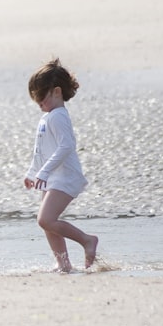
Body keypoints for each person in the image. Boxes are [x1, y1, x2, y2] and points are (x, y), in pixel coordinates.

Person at [23, 58, 98, 272]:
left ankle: (87, 240)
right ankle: (63, 263)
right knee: (48, 222)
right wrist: (32, 173)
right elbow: (40, 150)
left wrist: (44, 172)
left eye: (40, 96)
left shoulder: (58, 116)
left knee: (45, 219)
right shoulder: (47, 117)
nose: (37, 101)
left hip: (65, 176)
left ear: (57, 92)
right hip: (52, 177)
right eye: (34, 96)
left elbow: (67, 146)